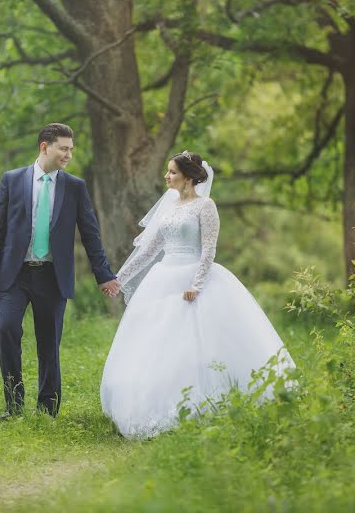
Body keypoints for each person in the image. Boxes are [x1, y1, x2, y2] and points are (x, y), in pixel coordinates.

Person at [100, 151, 294, 439]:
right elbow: (150, 250)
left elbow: (209, 249)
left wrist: (197, 283)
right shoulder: (168, 208)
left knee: (199, 344)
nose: (167, 177)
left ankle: (208, 404)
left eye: (172, 172)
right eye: (167, 171)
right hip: (164, 277)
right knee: (158, 345)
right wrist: (119, 279)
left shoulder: (206, 206)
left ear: (188, 177)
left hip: (194, 278)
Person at [0, 123, 120, 419]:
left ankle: (47, 410)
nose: (68, 154)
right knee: (5, 329)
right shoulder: (12, 180)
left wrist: (104, 274)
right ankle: (14, 406)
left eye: (71, 149)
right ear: (45, 147)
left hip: (52, 276)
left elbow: (91, 234)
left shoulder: (74, 187)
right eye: (64, 148)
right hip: (13, 275)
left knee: (49, 341)